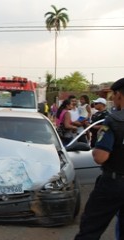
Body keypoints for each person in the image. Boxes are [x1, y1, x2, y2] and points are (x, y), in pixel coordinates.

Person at [75, 77, 124, 239]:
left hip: (113, 183)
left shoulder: (114, 121)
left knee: (91, 227)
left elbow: (100, 157)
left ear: (119, 95)